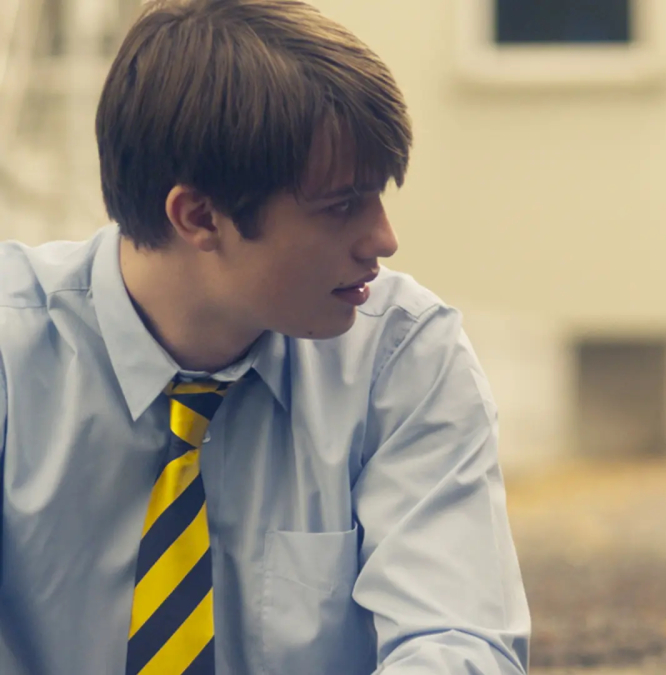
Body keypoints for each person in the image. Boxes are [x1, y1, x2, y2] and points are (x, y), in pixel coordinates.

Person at [0, 1, 530, 673]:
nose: (384, 240)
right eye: (341, 205)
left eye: (379, 197)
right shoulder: (13, 354)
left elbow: (458, 640)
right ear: (198, 216)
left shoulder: (400, 359)